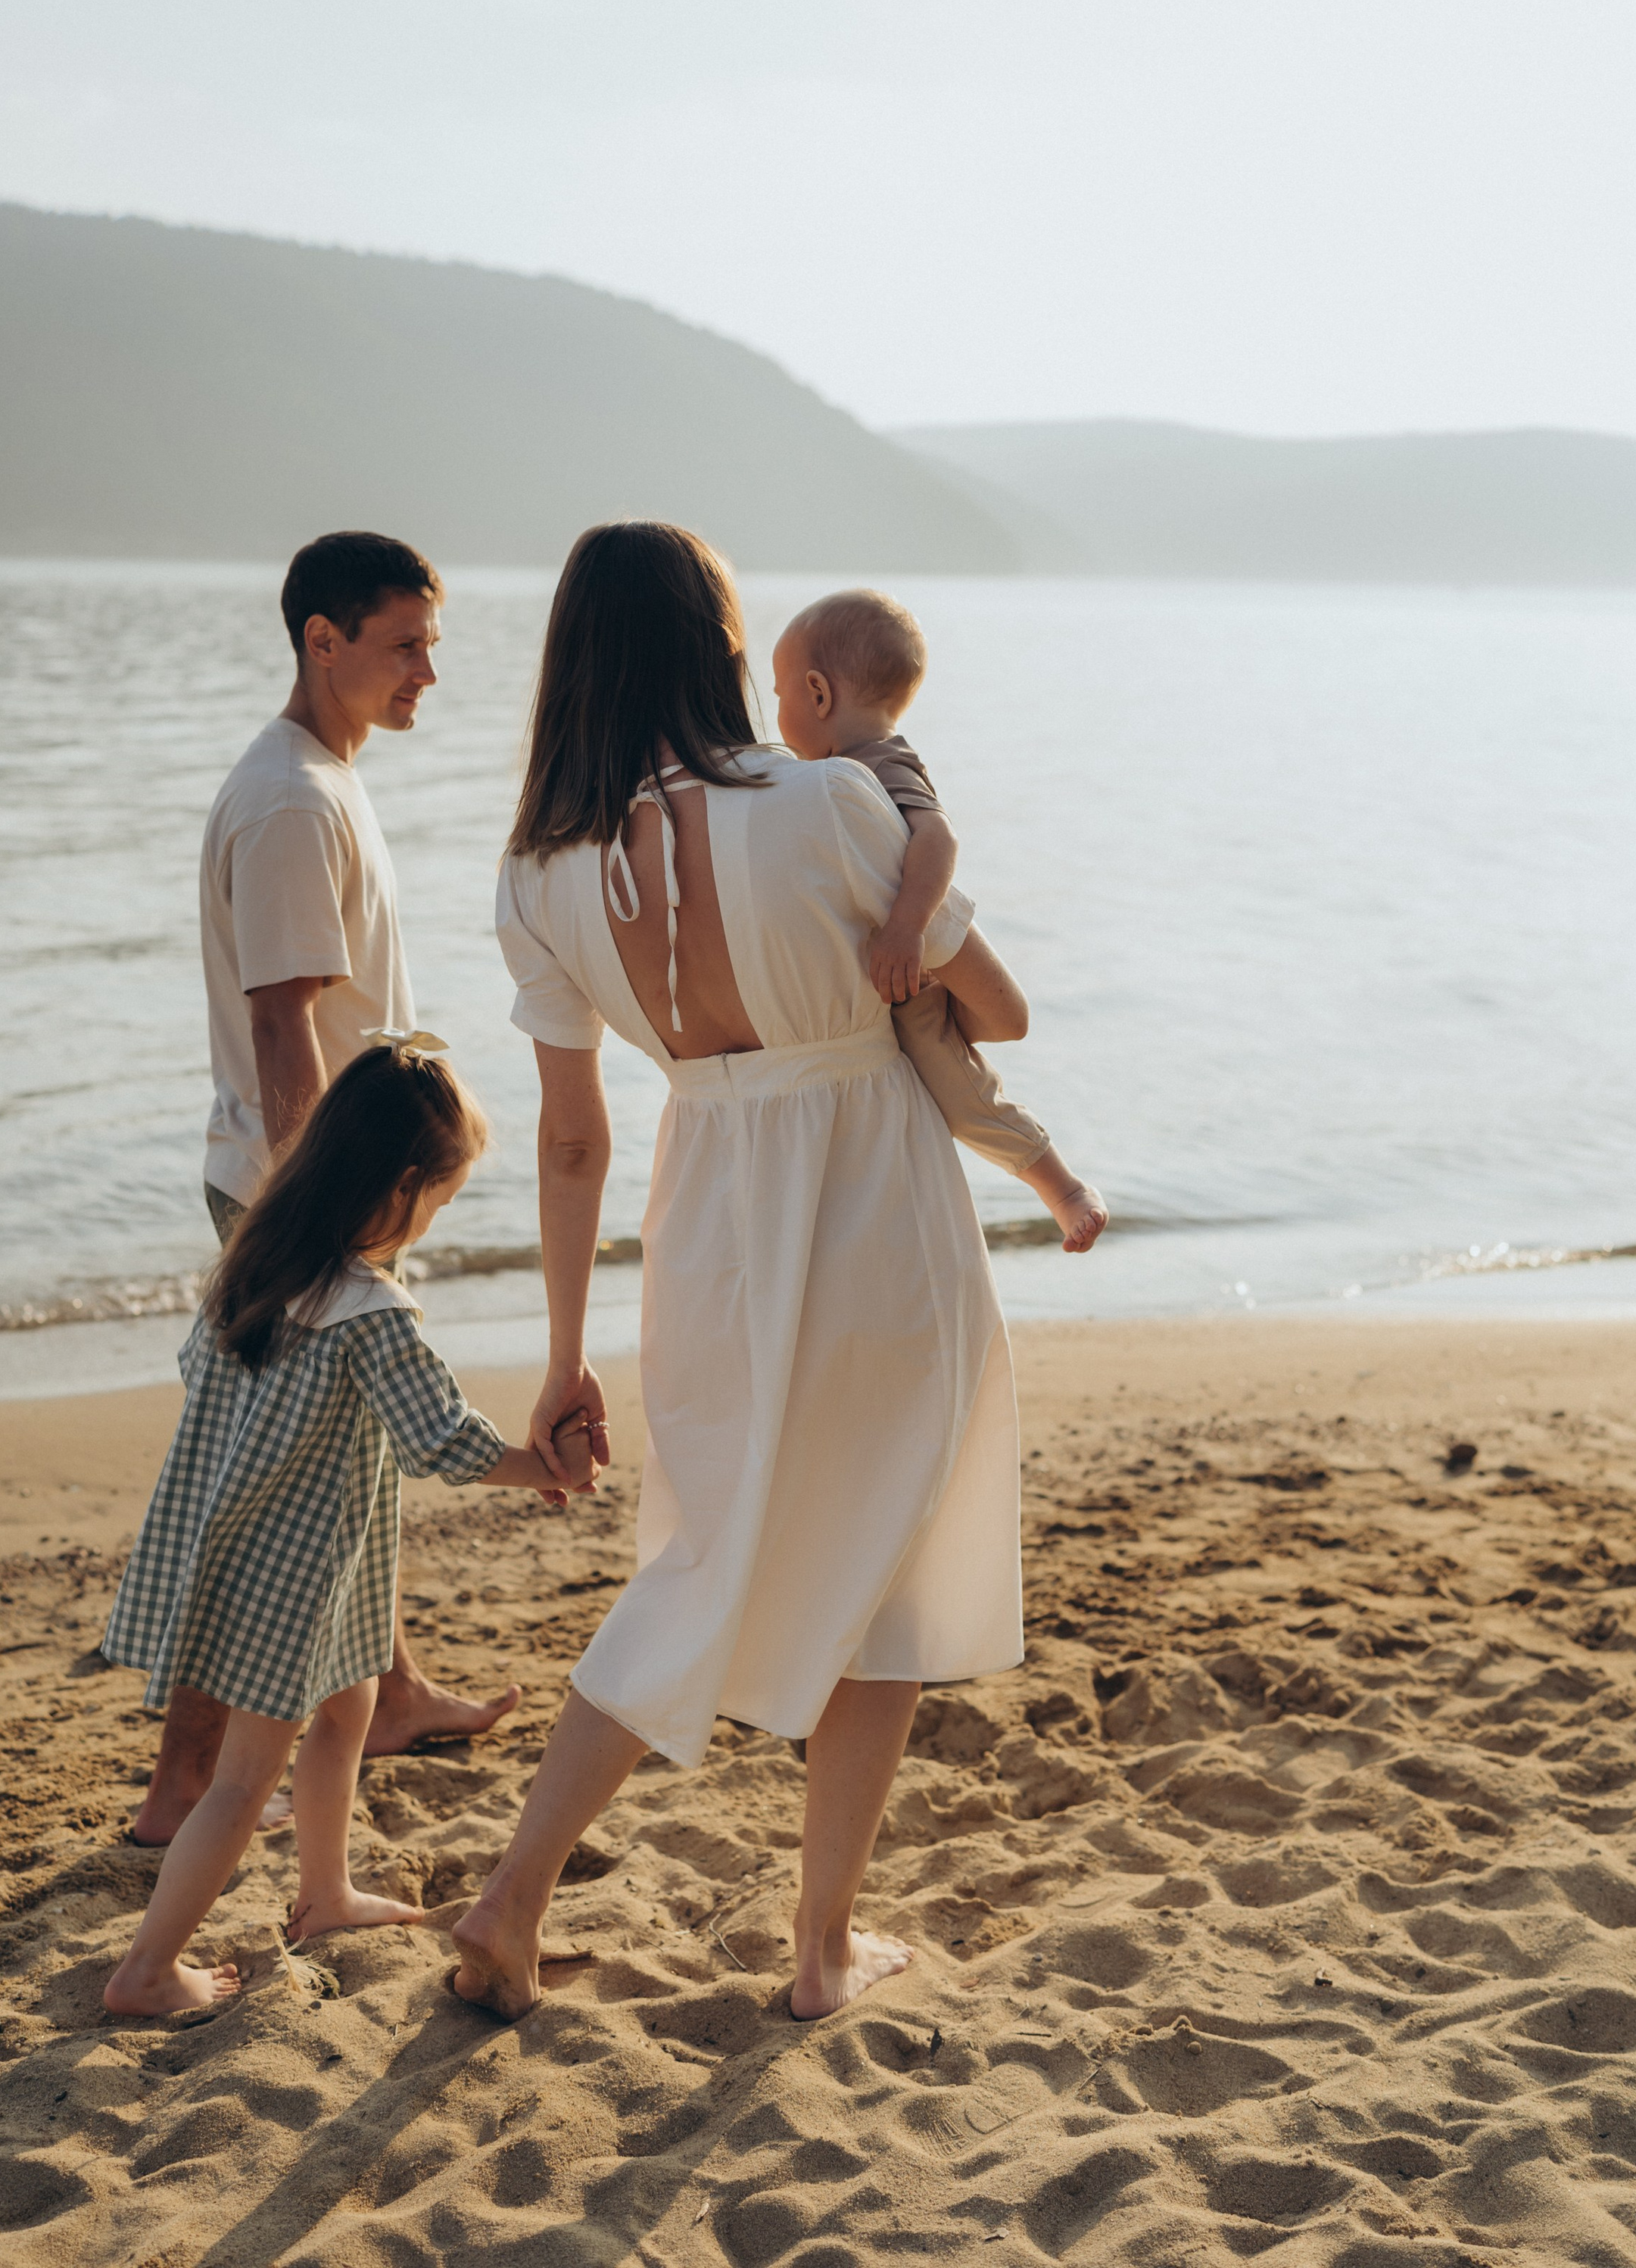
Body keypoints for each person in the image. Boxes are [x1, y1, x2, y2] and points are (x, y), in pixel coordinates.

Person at [447, 520, 1027, 2025]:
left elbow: (567, 1144)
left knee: (699, 1558)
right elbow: (993, 1004)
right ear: (719, 643)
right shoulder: (827, 798)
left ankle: (514, 1894)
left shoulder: (537, 871)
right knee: (887, 1558)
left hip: (704, 1212)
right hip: (872, 1199)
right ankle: (821, 1952)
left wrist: (566, 1355)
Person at [128, 528, 516, 1852]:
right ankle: (181, 1788)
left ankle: (390, 1690)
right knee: (262, 1496)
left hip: (325, 1189)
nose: (426, 671)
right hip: (301, 1194)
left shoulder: (324, 776)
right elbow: (289, 1026)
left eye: (433, 645)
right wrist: (326, 1227)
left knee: (336, 1475)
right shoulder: (293, 800)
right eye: (404, 646)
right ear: (323, 642)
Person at [101, 1042, 599, 2018]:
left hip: (285, 1549)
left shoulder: (255, 1263)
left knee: (349, 1710)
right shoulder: (369, 1312)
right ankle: (148, 1970)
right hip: (293, 1568)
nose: (432, 1222)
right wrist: (543, 1466)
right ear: (402, 1187)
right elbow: (440, 1440)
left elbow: (205, 1386)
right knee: (243, 1783)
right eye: (440, 1203)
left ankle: (324, 1894)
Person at [772, 587, 1108, 1254]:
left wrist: (906, 928)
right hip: (879, 973)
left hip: (909, 968)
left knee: (961, 1090)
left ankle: (1061, 1188)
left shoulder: (879, 763)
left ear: (817, 693)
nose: (775, 709)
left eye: (779, 693)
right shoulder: (838, 771)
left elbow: (938, 839)